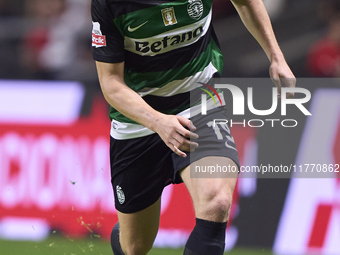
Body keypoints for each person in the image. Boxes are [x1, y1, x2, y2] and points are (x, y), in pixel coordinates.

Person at [91, 0, 295, 254]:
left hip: (200, 103)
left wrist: (276, 56)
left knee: (217, 201)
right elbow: (110, 80)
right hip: (138, 121)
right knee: (134, 247)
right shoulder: (110, 4)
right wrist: (158, 121)